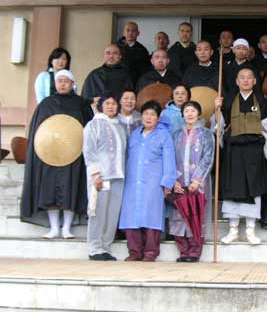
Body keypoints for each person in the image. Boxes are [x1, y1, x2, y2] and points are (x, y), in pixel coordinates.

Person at [21, 70, 92, 239]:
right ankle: (53, 228)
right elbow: (37, 130)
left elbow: (89, 129)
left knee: (71, 188)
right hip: (49, 153)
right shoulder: (46, 104)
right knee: (50, 190)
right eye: (59, 81)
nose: (62, 84)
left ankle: (67, 228)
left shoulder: (81, 104)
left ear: (73, 84)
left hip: (74, 153)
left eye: (66, 81)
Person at [215, 68, 267, 245]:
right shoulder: (228, 100)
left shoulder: (262, 101)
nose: (246, 80)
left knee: (253, 189)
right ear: (236, 81)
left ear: (255, 81)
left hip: (254, 151)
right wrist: (216, 110)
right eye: (242, 77)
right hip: (234, 150)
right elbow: (220, 126)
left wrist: (265, 148)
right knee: (233, 188)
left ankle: (250, 230)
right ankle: (233, 229)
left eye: (250, 77)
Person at [118, 100, 177, 261]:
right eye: (146, 114)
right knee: (131, 216)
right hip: (133, 181)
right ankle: (134, 251)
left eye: (152, 114)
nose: (148, 117)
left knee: (152, 216)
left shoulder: (164, 135)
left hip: (153, 182)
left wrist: (167, 182)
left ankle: (151, 252)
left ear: (158, 118)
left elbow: (169, 159)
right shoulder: (135, 133)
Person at [83, 94, 127, 261]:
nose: (111, 106)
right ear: (101, 106)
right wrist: (95, 175)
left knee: (112, 214)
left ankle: (106, 247)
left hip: (118, 177)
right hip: (101, 177)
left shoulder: (119, 127)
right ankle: (94, 248)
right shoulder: (93, 125)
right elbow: (89, 151)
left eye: (114, 103)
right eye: (107, 103)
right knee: (98, 212)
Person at [169, 101, 215, 262]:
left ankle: (195, 252)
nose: (189, 113)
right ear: (182, 114)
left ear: (199, 113)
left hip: (198, 183)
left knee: (196, 214)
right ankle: (183, 251)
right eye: (186, 111)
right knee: (179, 214)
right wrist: (174, 180)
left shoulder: (206, 134)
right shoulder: (176, 135)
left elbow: (208, 157)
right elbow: (171, 159)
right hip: (180, 182)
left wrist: (198, 179)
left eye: (193, 110)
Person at [117, 22, 151, 86]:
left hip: (135, 84)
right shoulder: (115, 48)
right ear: (123, 33)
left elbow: (145, 70)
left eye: (133, 31)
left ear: (138, 33)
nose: (130, 33)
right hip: (117, 82)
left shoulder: (142, 50)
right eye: (128, 30)